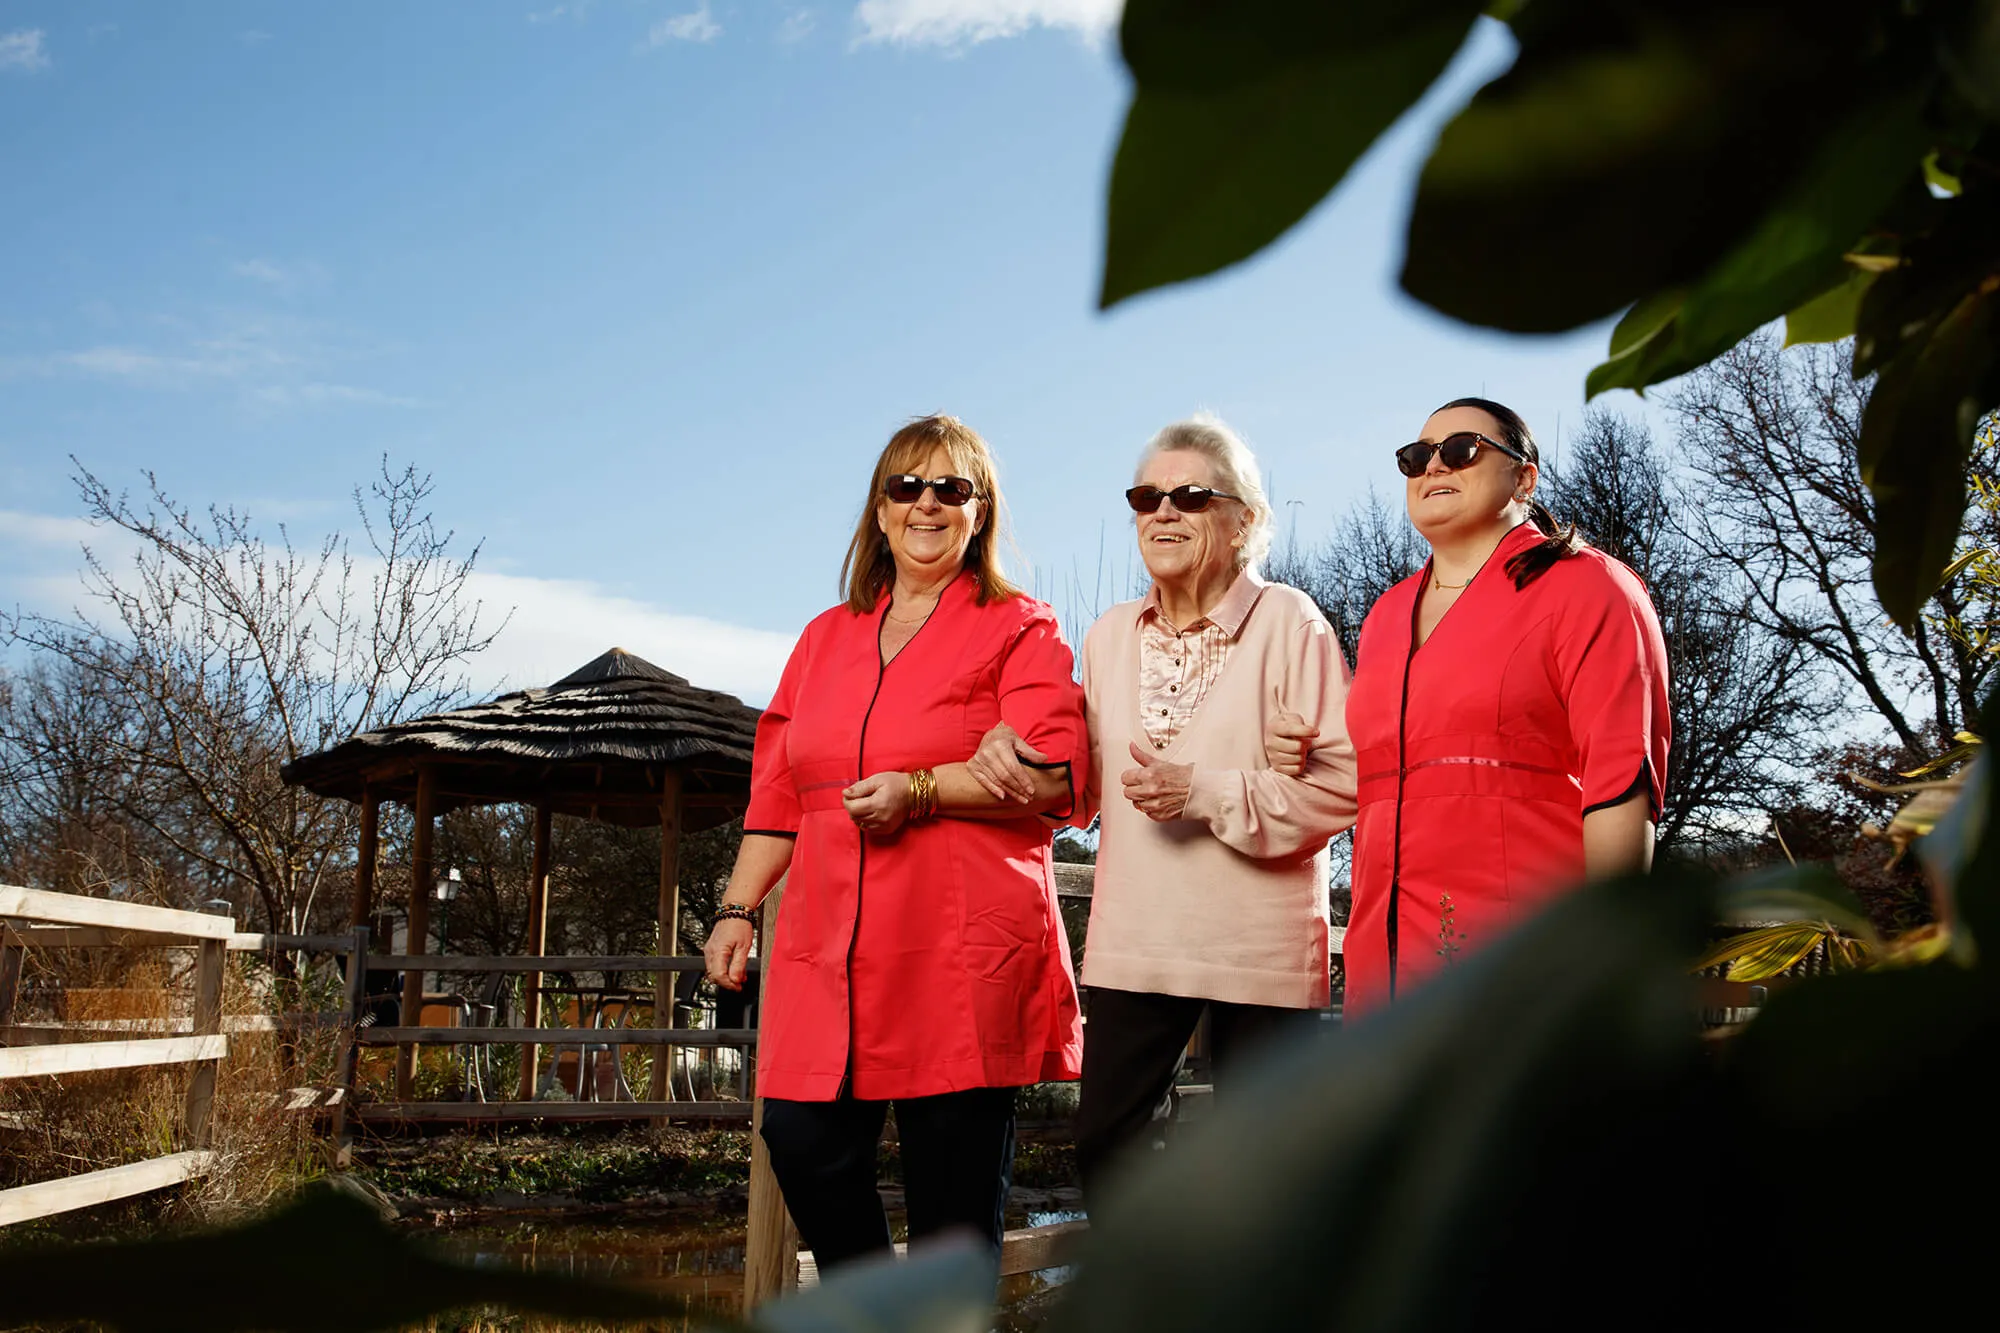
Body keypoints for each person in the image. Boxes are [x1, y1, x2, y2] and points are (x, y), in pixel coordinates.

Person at [702, 414, 1086, 1274]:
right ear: (879, 510)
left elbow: (1055, 771)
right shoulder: (823, 638)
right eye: (906, 486)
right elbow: (780, 792)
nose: (927, 503)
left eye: (952, 488)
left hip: (954, 953)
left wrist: (923, 788)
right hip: (828, 950)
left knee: (951, 1212)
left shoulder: (1020, 628)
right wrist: (737, 906)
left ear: (979, 513)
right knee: (800, 1138)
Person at [970, 415, 1357, 1199]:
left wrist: (1206, 791)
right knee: (1107, 1143)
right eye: (1147, 497)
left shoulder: (1292, 621)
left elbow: (1342, 787)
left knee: (1268, 1169)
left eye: (1188, 495)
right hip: (1138, 936)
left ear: (1242, 518)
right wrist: (1010, 755)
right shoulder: (1108, 634)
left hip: (1261, 949)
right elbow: (1083, 790)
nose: (1163, 513)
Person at [1269, 397, 1670, 1014]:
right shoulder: (1385, 615)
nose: (1434, 467)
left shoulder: (1590, 588)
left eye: (1461, 450)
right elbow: (1388, 772)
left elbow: (1622, 782)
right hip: (1383, 968)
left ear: (1524, 476)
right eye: (1416, 457)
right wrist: (1306, 753)